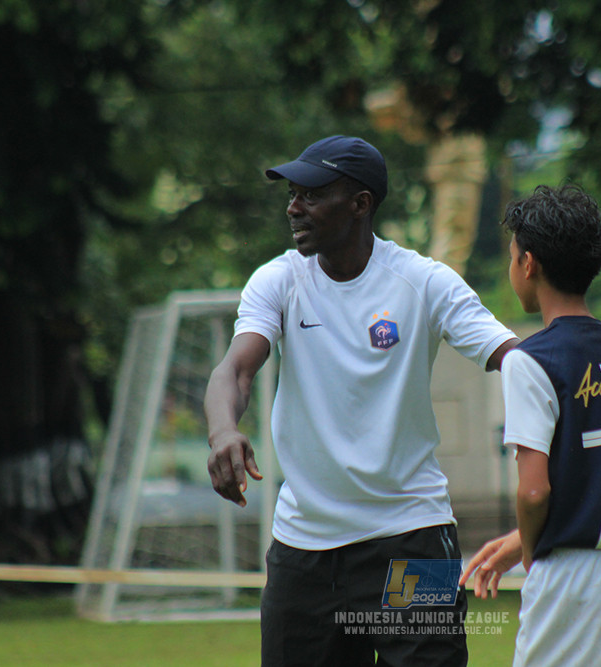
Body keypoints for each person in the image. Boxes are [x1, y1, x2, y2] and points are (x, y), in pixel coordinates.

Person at [204, 135, 518, 666]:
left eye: (310, 193)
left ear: (360, 203)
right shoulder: (279, 280)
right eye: (292, 193)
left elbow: (513, 358)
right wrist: (222, 430)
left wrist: (581, 375)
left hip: (410, 538)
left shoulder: (424, 283)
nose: (293, 206)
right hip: (304, 549)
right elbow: (234, 370)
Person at [459, 184, 601, 666]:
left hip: (580, 580)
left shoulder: (531, 360)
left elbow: (534, 493)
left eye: (511, 255)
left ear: (529, 264)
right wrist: (520, 538)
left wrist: (532, 548)